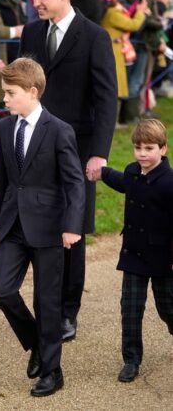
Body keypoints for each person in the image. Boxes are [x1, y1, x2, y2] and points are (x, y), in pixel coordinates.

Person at [19, 0, 117, 342]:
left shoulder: (94, 36)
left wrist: (99, 154)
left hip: (78, 150)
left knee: (72, 232)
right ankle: (45, 304)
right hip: (35, 147)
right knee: (39, 226)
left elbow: (106, 98)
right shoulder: (30, 32)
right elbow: (23, 87)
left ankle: (66, 313)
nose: (35, 2)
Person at [0, 57, 85, 397]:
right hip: (12, 224)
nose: (5, 99)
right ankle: (36, 344)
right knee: (1, 290)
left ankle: (53, 371)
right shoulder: (4, 128)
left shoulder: (59, 130)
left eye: (10, 93)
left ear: (32, 91)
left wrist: (73, 225)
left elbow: (74, 183)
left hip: (50, 227)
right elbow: (0, 179)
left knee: (47, 302)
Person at [93, 119, 173, 383]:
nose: (142, 154)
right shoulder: (132, 171)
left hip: (164, 259)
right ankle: (131, 359)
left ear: (163, 149)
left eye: (149, 148)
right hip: (134, 255)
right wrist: (102, 172)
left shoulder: (169, 182)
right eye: (138, 148)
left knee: (168, 307)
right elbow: (122, 182)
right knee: (130, 308)